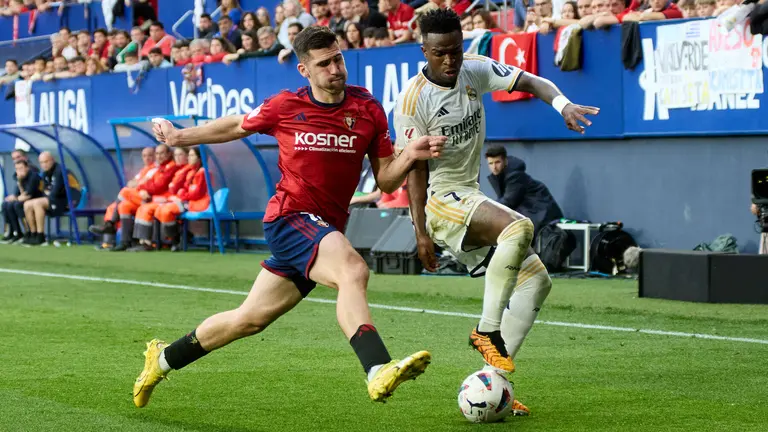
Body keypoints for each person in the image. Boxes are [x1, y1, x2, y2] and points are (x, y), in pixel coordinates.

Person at [133, 25, 446, 409]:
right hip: (289, 218)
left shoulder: (367, 109)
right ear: (304, 70)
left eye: (338, 59)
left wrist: (410, 155)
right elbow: (236, 125)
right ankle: (377, 367)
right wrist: (180, 138)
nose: (335, 69)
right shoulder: (286, 105)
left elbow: (384, 180)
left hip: (321, 232)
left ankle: (162, 359)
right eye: (324, 63)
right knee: (353, 270)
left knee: (248, 320)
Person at [394, 9, 598, 415]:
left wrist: (562, 105)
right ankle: (486, 330)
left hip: (468, 196)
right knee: (519, 226)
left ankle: (495, 386)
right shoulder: (412, 101)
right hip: (440, 200)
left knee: (536, 282)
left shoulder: (475, 69)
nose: (449, 61)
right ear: (424, 51)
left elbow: (531, 80)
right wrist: (419, 231)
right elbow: (414, 173)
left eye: (454, 51)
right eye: (439, 54)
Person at [485, 146, 563, 237]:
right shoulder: (502, 176)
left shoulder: (514, 176)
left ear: (505, 161)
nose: (494, 167)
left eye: (497, 162)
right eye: (490, 163)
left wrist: (485, 210)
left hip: (543, 215)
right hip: (534, 215)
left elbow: (508, 202)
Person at [23, 151, 81, 246]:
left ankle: (41, 236)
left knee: (38, 203)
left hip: (66, 202)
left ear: (52, 160)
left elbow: (54, 192)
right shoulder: (45, 174)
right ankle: (33, 234)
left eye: (46, 161)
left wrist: (48, 192)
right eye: (41, 162)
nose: (44, 165)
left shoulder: (60, 171)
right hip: (54, 200)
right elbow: (44, 191)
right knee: (27, 204)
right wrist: (48, 192)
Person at [1, 160, 42, 244]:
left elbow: (28, 195)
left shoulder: (33, 176)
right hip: (24, 201)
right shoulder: (19, 178)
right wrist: (14, 196)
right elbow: (18, 194)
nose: (19, 170)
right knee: (6, 204)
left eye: (21, 168)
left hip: (35, 201)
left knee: (16, 205)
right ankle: (15, 232)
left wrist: (16, 197)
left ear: (27, 168)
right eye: (17, 169)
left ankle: (29, 232)